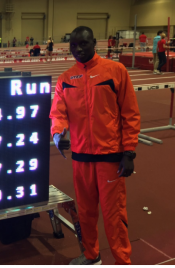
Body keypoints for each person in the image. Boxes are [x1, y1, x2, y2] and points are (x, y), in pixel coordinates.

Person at [50, 26, 140, 265]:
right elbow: (57, 114)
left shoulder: (115, 71)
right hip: (81, 159)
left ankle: (122, 261)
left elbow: (130, 114)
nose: (78, 50)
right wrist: (58, 134)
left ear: (94, 44)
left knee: (114, 216)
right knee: (87, 214)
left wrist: (129, 152)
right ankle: (92, 255)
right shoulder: (66, 79)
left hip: (111, 158)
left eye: (83, 44)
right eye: (73, 46)